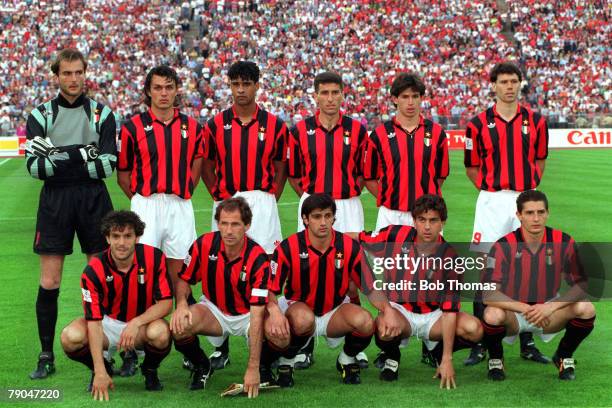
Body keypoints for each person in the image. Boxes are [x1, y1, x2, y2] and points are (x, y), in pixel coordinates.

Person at [25, 48, 117, 379]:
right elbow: (35, 168)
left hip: (94, 199)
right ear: (57, 75)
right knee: (50, 280)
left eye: (79, 72)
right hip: (55, 201)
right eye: (67, 73)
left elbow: (107, 165)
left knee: (100, 278)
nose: (73, 79)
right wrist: (81, 153)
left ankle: (107, 353)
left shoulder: (103, 115)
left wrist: (56, 155)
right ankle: (46, 354)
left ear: (85, 73)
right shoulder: (40, 115)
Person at [200, 60, 288, 369]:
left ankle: (267, 341)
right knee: (222, 264)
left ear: (256, 85)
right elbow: (207, 165)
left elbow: (280, 168)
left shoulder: (275, 124)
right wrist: (218, 195)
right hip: (227, 200)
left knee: (266, 263)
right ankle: (220, 345)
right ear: (230, 86)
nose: (241, 89)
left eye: (246, 84)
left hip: (261, 202)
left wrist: (268, 197)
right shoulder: (215, 124)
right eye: (236, 83)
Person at [117, 65, 204, 372]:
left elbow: (197, 160)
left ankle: (185, 341)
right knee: (140, 273)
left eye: (169, 87)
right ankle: (133, 348)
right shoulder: (132, 127)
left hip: (179, 204)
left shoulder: (191, 126)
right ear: (148, 92)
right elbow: (123, 172)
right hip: (146, 204)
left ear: (176, 90)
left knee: (182, 272)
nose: (164, 93)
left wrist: (186, 189)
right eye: (158, 88)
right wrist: (141, 199)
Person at [464, 61, 549, 365]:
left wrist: (524, 192)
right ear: (494, 85)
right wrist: (492, 191)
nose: (509, 86)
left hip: (524, 200)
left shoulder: (536, 121)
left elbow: (539, 161)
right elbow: (471, 167)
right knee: (482, 266)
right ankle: (481, 344)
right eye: (503, 81)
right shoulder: (477, 123)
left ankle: (527, 340)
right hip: (491, 200)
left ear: (520, 84)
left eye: (514, 81)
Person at [287, 70, 369, 369]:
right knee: (307, 268)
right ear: (316, 95)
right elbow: (295, 175)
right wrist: (311, 202)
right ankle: (305, 341)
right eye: (325, 93)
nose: (330, 98)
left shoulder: (358, 130)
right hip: (313, 205)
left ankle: (352, 344)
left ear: (342, 95)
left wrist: (346, 192)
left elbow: (363, 172)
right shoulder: (300, 130)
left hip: (348, 205)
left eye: (336, 93)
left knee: (352, 272)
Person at [356, 194, 483, 388]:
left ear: (442, 223)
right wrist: (330, 238)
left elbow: (449, 310)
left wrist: (448, 358)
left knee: (474, 329)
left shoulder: (451, 257)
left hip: (434, 315)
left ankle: (438, 352)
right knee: (382, 326)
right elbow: (358, 238)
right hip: (401, 311)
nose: (426, 226)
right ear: (414, 221)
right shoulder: (395, 236)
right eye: (421, 220)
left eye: (433, 220)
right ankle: (392, 357)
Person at [170, 197, 286, 398]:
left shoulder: (257, 256)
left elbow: (257, 312)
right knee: (180, 326)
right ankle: (202, 366)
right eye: (224, 223)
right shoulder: (204, 244)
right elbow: (183, 279)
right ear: (218, 223)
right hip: (214, 310)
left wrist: (253, 367)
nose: (229, 230)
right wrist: (181, 305)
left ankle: (264, 368)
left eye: (235, 224)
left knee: (281, 336)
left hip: (248, 313)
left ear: (247, 225)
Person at [269, 193, 382, 387]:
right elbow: (270, 288)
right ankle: (286, 361)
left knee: (365, 322)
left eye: (328, 216)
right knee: (303, 319)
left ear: (334, 218)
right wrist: (274, 314)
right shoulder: (289, 246)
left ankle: (346, 359)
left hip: (334, 310)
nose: (323, 222)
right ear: (305, 219)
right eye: (317, 216)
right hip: (298, 309)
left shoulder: (348, 245)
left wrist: (386, 311)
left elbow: (371, 288)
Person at [481, 190, 595, 381]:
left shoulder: (563, 241)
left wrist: (550, 307)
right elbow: (488, 294)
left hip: (549, 311)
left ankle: (563, 356)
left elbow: (582, 284)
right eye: (529, 213)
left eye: (540, 212)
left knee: (586, 308)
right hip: (515, 313)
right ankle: (496, 358)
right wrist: (526, 308)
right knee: (492, 314)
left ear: (547, 213)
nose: (536, 218)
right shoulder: (503, 245)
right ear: (519, 216)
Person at [60, 211, 173, 400]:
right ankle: (104, 366)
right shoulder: (93, 269)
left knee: (161, 334)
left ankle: (150, 369)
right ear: (107, 238)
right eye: (116, 236)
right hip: (106, 324)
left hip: (141, 325)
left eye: (128, 236)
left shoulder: (154, 257)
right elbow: (94, 322)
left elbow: (166, 303)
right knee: (70, 337)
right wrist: (99, 371)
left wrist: (136, 322)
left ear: (137, 237)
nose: (122, 243)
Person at [363, 72, 449, 232]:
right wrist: (389, 197)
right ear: (395, 99)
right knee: (388, 257)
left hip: (427, 216)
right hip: (390, 215)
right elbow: (369, 178)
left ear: (421, 98)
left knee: (429, 257)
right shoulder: (379, 135)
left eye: (415, 96)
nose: (410, 102)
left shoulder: (437, 133)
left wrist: (426, 199)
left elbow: (440, 176)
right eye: (405, 96)